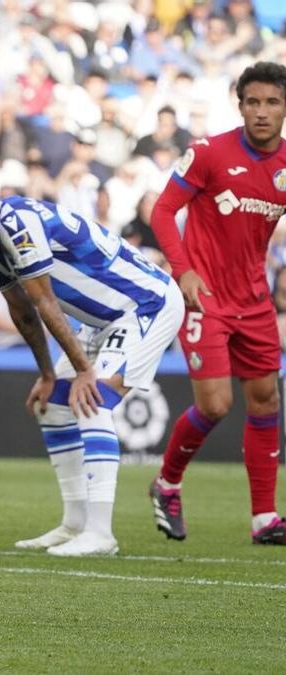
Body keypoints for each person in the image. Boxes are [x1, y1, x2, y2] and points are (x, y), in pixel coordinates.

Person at [0, 162, 184, 557]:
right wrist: (48, 374)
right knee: (51, 405)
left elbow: (44, 300)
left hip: (145, 304)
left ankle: (101, 533)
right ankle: (75, 524)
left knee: (92, 398)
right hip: (102, 321)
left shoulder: (17, 222)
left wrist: (84, 370)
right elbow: (22, 311)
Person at [148, 62, 286, 544]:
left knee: (266, 399)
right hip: (204, 299)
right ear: (240, 106)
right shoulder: (209, 153)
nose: (262, 112)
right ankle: (166, 484)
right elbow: (163, 210)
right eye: (253, 102)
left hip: (255, 300)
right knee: (216, 404)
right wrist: (182, 269)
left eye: (272, 102)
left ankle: (264, 518)